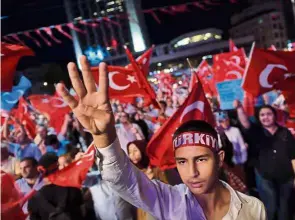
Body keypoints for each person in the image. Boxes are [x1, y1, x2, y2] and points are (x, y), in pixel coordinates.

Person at [56, 57, 266, 220]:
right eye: (182, 162)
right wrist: (103, 136)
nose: (192, 172)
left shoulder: (252, 208)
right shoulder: (170, 201)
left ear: (219, 158)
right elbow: (121, 179)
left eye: (201, 159)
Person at [234, 101, 295, 220]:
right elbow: (245, 123)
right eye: (262, 115)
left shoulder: (285, 133)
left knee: (285, 210)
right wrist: (240, 108)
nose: (265, 117)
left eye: (269, 114)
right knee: (270, 208)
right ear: (258, 117)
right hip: (265, 178)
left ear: (274, 116)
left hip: (286, 178)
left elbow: (293, 156)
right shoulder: (256, 131)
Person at [28, 152, 85, 220]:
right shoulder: (73, 188)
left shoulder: (34, 200)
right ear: (58, 167)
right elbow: (84, 212)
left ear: (40, 171)